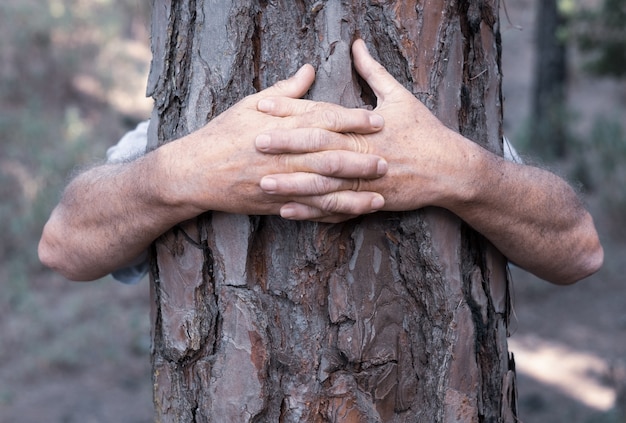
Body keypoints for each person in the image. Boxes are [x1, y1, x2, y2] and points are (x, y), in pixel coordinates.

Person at [38, 39, 603, 286]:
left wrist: (466, 173)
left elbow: (579, 251)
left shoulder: (440, 125)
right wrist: (181, 173)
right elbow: (63, 246)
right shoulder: (186, 129)